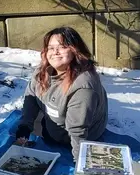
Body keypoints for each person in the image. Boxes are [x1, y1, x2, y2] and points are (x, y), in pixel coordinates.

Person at [14, 27, 108, 159]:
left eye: (62, 47)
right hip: (53, 120)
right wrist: (24, 127)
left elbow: (78, 131)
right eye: (51, 48)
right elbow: (31, 97)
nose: (55, 52)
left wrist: (79, 163)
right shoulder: (43, 71)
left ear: (75, 50)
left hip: (76, 135)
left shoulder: (83, 87)